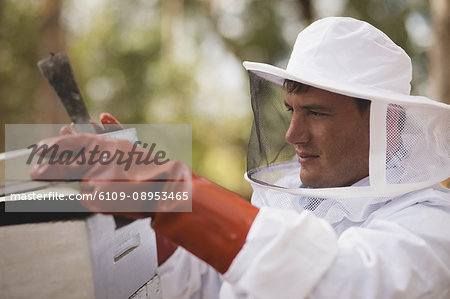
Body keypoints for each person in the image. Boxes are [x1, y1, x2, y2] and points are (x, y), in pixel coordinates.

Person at [31, 17, 450, 298]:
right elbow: (222, 284)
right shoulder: (291, 195)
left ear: (388, 123)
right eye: (292, 110)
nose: (292, 134)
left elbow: (338, 283)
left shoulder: (433, 228)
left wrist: (169, 191)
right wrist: (153, 226)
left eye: (317, 112)